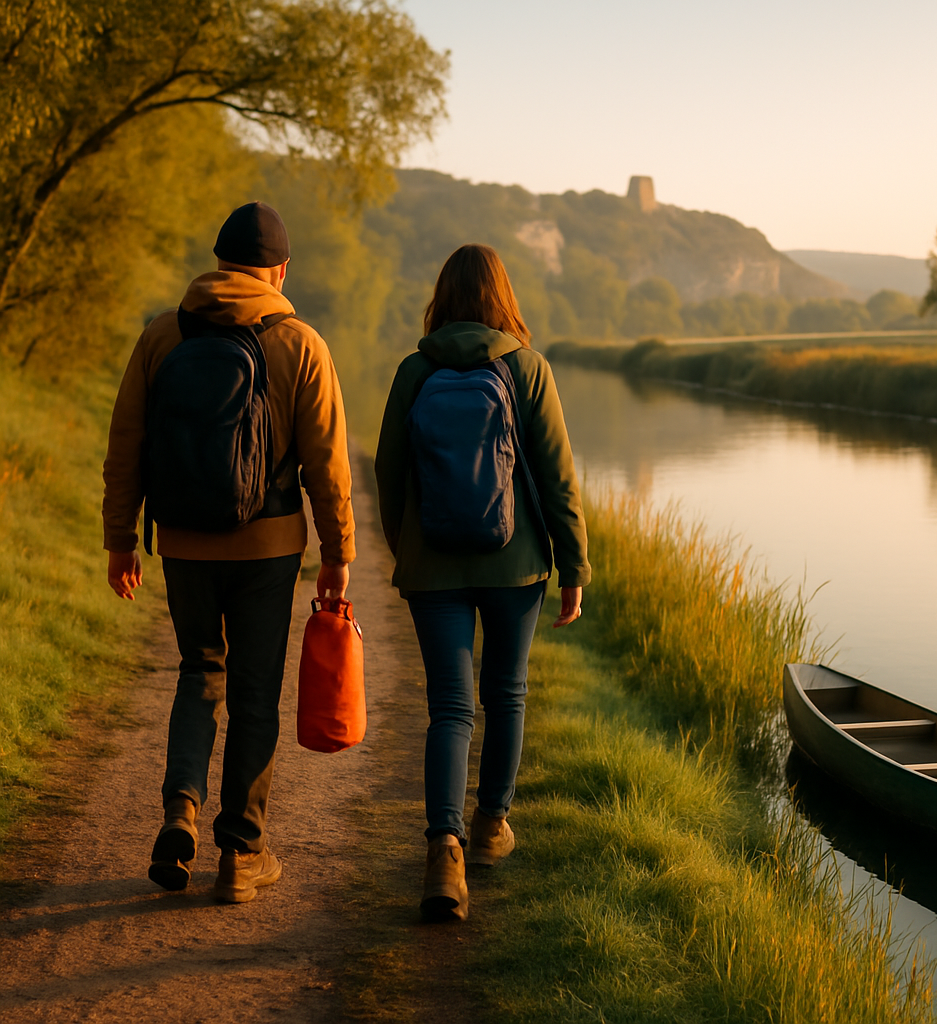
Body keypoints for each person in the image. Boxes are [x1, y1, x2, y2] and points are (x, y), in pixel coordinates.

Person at [102, 202, 355, 903]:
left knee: (197, 674)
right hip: (269, 548)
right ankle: (242, 853)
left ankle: (180, 811)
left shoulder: (162, 335)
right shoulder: (300, 342)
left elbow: (126, 448)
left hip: (183, 540)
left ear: (218, 261)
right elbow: (327, 464)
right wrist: (338, 553)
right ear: (280, 269)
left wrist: (120, 539)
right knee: (253, 693)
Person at [374, 243, 590, 921]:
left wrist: (405, 547)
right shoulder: (527, 368)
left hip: (433, 564)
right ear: (504, 298)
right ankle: (493, 824)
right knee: (506, 694)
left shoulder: (414, 370)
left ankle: (444, 850)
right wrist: (574, 567)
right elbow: (558, 478)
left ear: (442, 297)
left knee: (449, 707)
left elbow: (387, 472)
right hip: (515, 562)